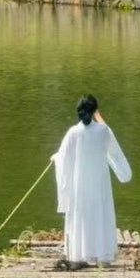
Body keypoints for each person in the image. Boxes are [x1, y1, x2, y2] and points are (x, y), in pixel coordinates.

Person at [52, 95, 132, 266]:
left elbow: (63, 157)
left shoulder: (73, 132)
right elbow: (115, 154)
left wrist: (56, 158)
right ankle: (101, 252)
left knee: (82, 216)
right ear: (94, 110)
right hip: (99, 185)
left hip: (79, 185)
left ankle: (81, 253)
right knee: (99, 214)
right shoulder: (104, 131)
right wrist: (124, 174)